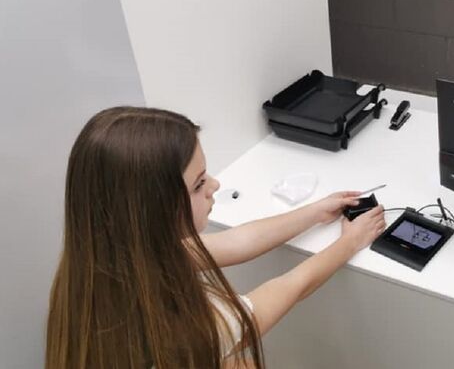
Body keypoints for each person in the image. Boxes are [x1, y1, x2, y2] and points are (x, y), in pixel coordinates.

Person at [45, 106, 386, 369]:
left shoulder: (104, 264)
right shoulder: (187, 329)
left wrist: (314, 212)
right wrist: (349, 243)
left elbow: (238, 242)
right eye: (198, 184)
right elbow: (290, 287)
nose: (215, 186)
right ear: (153, 207)